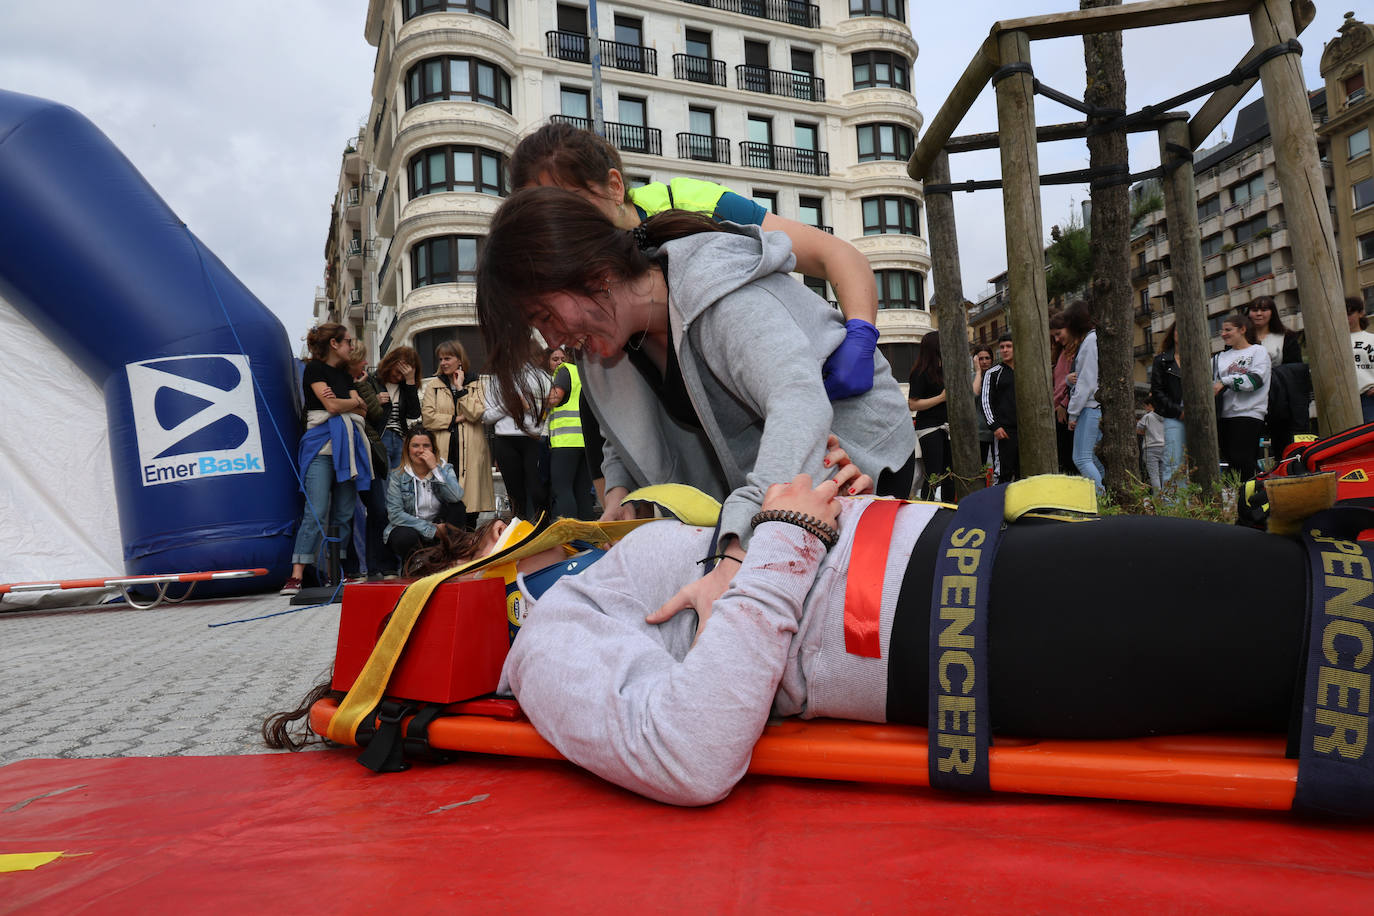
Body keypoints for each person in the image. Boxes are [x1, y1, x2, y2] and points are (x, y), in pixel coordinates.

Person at [476, 186, 915, 621]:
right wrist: (620, 496)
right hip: (773, 490)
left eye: (545, 317)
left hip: (855, 464)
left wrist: (736, 557)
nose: (551, 339)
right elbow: (620, 433)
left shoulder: (715, 287)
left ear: (590, 272)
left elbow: (798, 404)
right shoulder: (602, 346)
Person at [509, 121, 880, 400]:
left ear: (615, 186)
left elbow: (837, 255)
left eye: (570, 202)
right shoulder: (567, 273)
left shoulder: (694, 203)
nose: (556, 222)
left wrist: (861, 336)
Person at [282, 323, 372, 595]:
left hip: (346, 451)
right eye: (347, 341)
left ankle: (338, 572)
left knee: (345, 512)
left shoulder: (344, 375)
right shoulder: (315, 370)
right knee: (317, 510)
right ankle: (296, 575)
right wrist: (350, 403)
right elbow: (334, 406)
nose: (351, 346)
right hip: (320, 449)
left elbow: (364, 410)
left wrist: (349, 403)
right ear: (334, 344)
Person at [421, 340, 494, 527]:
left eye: (448, 358)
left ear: (459, 360)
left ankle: (469, 544)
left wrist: (461, 389)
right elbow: (428, 418)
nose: (443, 363)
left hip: (471, 449)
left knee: (470, 504)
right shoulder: (433, 386)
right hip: (444, 448)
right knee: (444, 503)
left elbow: (476, 413)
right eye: (441, 359)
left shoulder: (475, 383)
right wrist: (455, 419)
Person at [483, 340, 550, 520]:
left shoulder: (540, 376)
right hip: (505, 440)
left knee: (538, 490)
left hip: (533, 439)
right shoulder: (495, 379)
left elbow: (550, 406)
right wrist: (509, 405)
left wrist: (531, 407)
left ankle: (543, 527)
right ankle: (519, 530)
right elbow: (486, 416)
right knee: (514, 493)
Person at [383, 426, 466, 568]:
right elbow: (395, 514)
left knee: (458, 508)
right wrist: (432, 530)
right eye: (415, 446)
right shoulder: (397, 476)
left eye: (426, 446)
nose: (421, 450)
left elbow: (456, 496)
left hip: (440, 526)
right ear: (407, 449)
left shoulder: (445, 469)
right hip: (414, 529)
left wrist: (435, 469)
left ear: (433, 449)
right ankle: (416, 565)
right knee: (404, 536)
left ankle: (447, 559)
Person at [349, 354, 398, 579]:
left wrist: (363, 393)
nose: (365, 363)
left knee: (379, 509)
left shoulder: (367, 382)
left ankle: (377, 565)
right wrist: (357, 402)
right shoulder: (336, 379)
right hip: (345, 448)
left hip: (367, 450)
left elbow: (374, 413)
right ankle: (351, 569)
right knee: (345, 511)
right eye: (361, 359)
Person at [1212, 312, 1271, 482]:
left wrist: (1225, 382)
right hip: (1224, 415)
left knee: (1242, 458)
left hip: (1250, 413)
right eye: (1222, 331)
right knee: (1232, 462)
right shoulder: (1218, 358)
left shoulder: (1258, 351)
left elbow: (1256, 380)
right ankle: (1241, 499)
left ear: (1243, 330)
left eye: (1228, 330)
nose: (1223, 334)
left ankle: (1258, 493)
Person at [1248, 297, 1306, 456]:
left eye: (1264, 309)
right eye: (1254, 310)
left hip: (1280, 398)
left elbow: (1295, 368)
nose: (1259, 314)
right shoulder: (1242, 337)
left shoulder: (1286, 336)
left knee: (1283, 442)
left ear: (1272, 313)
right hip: (1249, 398)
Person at [547, 346, 596, 520]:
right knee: (582, 492)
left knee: (563, 489)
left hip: (566, 442)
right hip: (586, 442)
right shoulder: (581, 373)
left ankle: (569, 537)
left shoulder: (563, 371)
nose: (559, 362)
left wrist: (536, 400)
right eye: (555, 359)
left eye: (562, 357)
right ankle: (588, 538)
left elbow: (555, 398)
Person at [1063, 301, 1104, 492]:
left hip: (1089, 407)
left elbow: (1086, 382)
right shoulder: (1096, 339)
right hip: (1096, 406)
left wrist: (1073, 413)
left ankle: (1101, 498)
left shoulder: (1089, 342)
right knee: (1093, 458)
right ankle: (1106, 493)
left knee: (1082, 458)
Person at [907, 331, 948, 501]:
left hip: (946, 427)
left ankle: (947, 507)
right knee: (933, 473)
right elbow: (912, 404)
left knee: (948, 473)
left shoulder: (944, 369)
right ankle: (927, 509)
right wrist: (940, 398)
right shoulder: (920, 372)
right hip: (929, 429)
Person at [375, 346, 423, 472]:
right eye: (397, 372)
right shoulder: (373, 381)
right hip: (380, 437)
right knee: (386, 485)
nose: (399, 377)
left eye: (404, 375)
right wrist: (374, 401)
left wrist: (410, 381)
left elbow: (414, 413)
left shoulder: (405, 387)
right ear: (390, 364)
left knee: (398, 485)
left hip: (400, 439)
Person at [1150, 322, 1186, 490]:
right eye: (1179, 328)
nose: (1182, 333)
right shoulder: (1162, 361)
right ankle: (1174, 508)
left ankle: (1197, 506)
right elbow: (1157, 392)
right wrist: (1179, 412)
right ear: (1173, 333)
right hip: (1174, 417)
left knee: (1198, 463)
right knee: (1173, 463)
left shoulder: (1200, 358)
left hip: (1200, 417)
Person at [980, 334, 1018, 484]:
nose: (1005, 350)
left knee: (1024, 472)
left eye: (1009, 346)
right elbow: (986, 402)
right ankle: (1000, 505)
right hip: (1004, 431)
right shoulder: (993, 373)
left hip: (1026, 430)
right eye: (1002, 347)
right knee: (1002, 472)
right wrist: (995, 426)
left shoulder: (1027, 370)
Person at [1049, 313, 1075, 474]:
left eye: (1058, 334)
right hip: (1057, 409)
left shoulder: (1076, 353)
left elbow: (1074, 383)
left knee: (1070, 460)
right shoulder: (1061, 353)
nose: (1057, 339)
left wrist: (1063, 405)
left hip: (1065, 411)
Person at [1349, 296, 1374, 424]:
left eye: (1350, 313)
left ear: (1361, 313)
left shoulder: (1371, 339)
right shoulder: (1334, 342)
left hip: (1368, 397)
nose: (1347, 318)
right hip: (1344, 399)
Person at [970, 346, 994, 467]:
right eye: (980, 359)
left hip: (997, 430)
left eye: (987, 358)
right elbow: (974, 395)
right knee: (980, 467)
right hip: (979, 432)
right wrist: (978, 372)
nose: (984, 361)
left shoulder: (996, 375)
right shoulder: (972, 377)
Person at [1136, 395, 1166, 492]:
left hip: (1151, 448)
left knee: (1154, 476)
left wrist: (1147, 432)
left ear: (1150, 405)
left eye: (1145, 406)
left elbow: (1138, 429)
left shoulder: (1148, 417)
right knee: (1163, 475)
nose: (1145, 408)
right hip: (1163, 447)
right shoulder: (1164, 417)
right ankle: (1166, 498)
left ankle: (1158, 499)